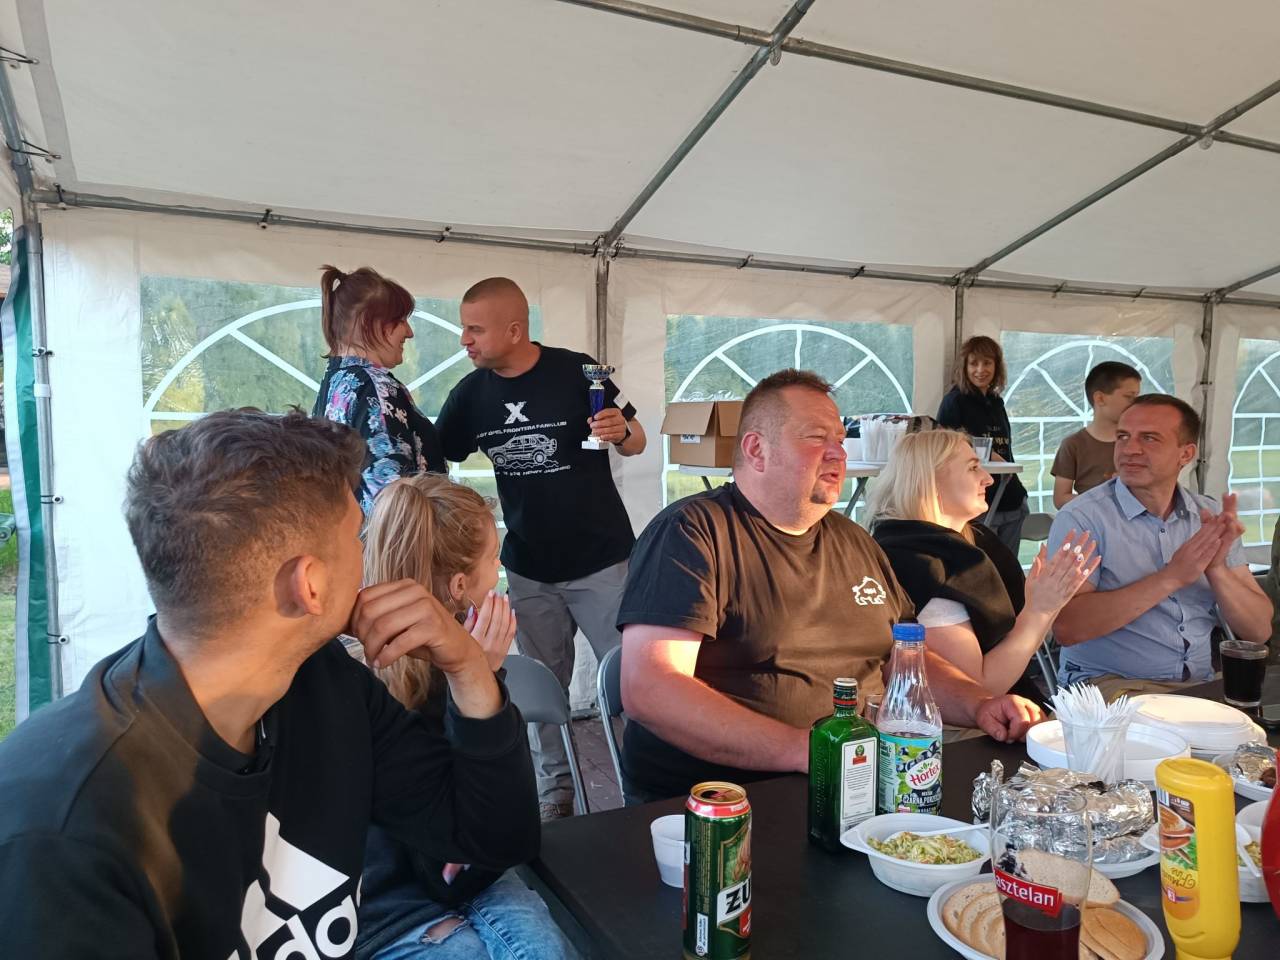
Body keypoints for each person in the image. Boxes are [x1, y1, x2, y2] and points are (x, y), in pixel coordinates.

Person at [0, 410, 539, 960]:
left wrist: (468, 668)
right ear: (311, 585)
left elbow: (494, 838)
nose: (370, 555)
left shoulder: (325, 685)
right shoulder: (63, 833)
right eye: (357, 536)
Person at [617, 369, 1045, 804]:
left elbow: (903, 659)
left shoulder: (854, 540)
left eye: (840, 439)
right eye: (816, 437)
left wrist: (978, 704)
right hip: (726, 801)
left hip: (857, 783)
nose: (838, 453)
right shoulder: (693, 533)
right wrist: (802, 749)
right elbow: (651, 688)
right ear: (756, 449)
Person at [435, 277, 646, 820]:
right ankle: (556, 793)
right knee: (541, 689)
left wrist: (622, 431)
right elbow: (437, 456)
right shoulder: (470, 395)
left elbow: (638, 439)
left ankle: (644, 785)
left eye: (475, 329)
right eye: (463, 328)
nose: (464, 340)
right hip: (529, 568)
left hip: (603, 563)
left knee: (631, 682)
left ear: (514, 330)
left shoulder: (578, 371)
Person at [356, 474, 576, 960]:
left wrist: (481, 677)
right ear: (459, 587)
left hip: (464, 873)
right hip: (391, 900)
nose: (500, 569)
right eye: (494, 558)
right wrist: (477, 682)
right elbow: (478, 852)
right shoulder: (384, 690)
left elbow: (496, 843)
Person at [1049, 394, 1273, 698]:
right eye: (1122, 436)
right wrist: (1172, 576)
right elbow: (1067, 628)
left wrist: (1217, 569)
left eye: (1149, 438)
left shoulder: (1208, 516)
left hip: (1198, 682)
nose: (1130, 449)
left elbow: (1258, 631)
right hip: (1108, 685)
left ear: (1186, 454)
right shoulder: (1083, 517)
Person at [868, 429, 1097, 714]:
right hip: (970, 726)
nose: (988, 478)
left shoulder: (972, 542)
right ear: (931, 480)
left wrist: (1048, 602)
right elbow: (981, 690)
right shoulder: (920, 564)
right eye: (973, 467)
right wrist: (1039, 611)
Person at [313, 264, 445, 515]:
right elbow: (392, 498)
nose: (409, 332)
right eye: (400, 320)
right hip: (396, 538)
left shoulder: (334, 385)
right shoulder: (377, 388)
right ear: (370, 323)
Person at [936, 335, 1029, 553]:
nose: (980, 370)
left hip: (1012, 498)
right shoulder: (954, 401)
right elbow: (945, 447)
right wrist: (986, 455)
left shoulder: (997, 402)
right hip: (978, 503)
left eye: (987, 363)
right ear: (964, 366)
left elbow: (1006, 449)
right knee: (984, 565)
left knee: (1009, 566)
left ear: (997, 366)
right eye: (973, 363)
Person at [1052, 361, 1142, 509]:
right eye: (1129, 397)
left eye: (1137, 397)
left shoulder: (1140, 443)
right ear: (1100, 398)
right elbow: (1060, 498)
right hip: (1091, 520)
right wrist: (1106, 501)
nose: (1135, 404)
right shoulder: (1073, 445)